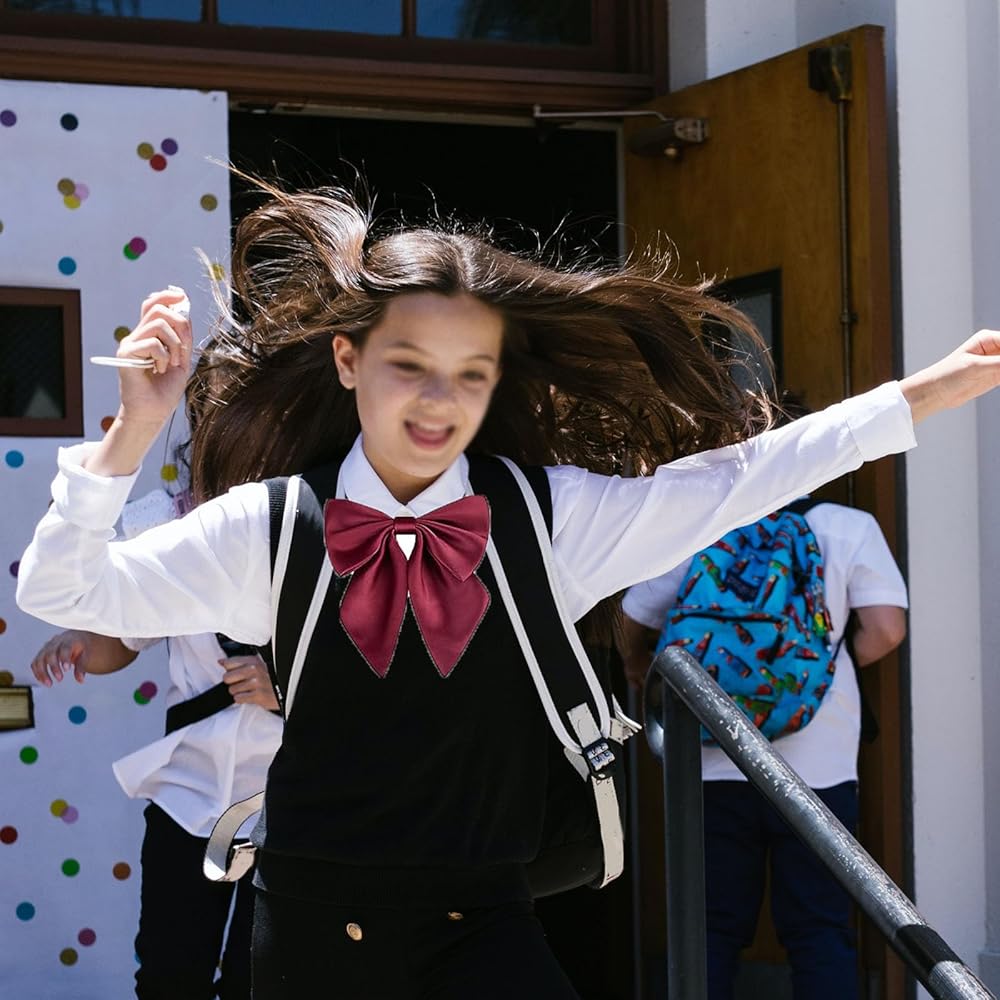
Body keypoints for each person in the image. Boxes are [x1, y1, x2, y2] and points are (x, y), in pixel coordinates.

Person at [13, 183, 1000, 999]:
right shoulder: (270, 526)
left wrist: (920, 395)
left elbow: (735, 479)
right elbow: (70, 591)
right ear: (348, 360)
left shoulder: (546, 516)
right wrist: (132, 431)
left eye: (469, 373)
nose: (437, 401)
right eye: (409, 366)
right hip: (314, 936)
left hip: (483, 925)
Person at [618, 399, 908, 1000]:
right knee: (820, 928)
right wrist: (819, 671)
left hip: (712, 762)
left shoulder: (705, 526)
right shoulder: (846, 527)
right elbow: (886, 629)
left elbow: (633, 617)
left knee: (709, 931)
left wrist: (639, 671)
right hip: (819, 769)